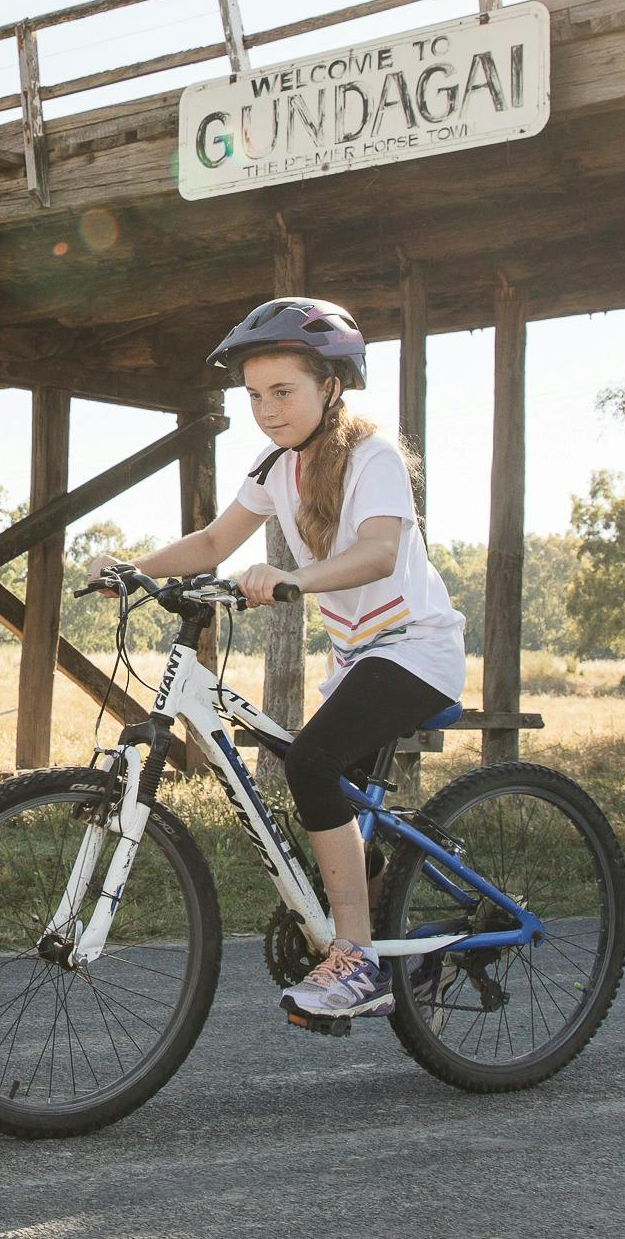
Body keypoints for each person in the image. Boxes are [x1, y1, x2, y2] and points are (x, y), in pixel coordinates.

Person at [89, 296, 464, 1026]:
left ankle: (355, 957)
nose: (266, 409)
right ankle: (399, 946)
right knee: (330, 800)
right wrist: (133, 567)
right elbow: (209, 543)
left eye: (282, 391)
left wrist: (291, 578)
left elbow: (380, 548)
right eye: (254, 395)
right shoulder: (274, 466)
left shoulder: (374, 456)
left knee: (310, 763)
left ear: (330, 386)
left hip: (417, 651)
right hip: (360, 661)